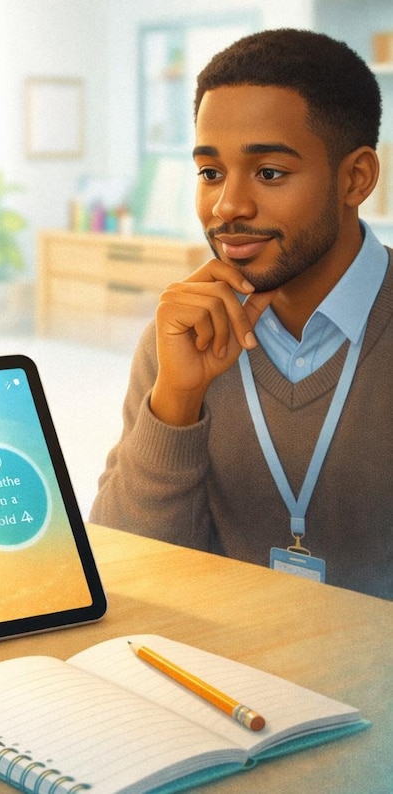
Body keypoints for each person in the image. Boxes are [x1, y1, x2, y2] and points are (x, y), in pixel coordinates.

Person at [90, 28, 392, 600]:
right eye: (209, 172)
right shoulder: (180, 336)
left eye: (269, 173)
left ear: (355, 178)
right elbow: (125, 570)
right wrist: (175, 402)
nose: (228, 206)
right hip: (221, 674)